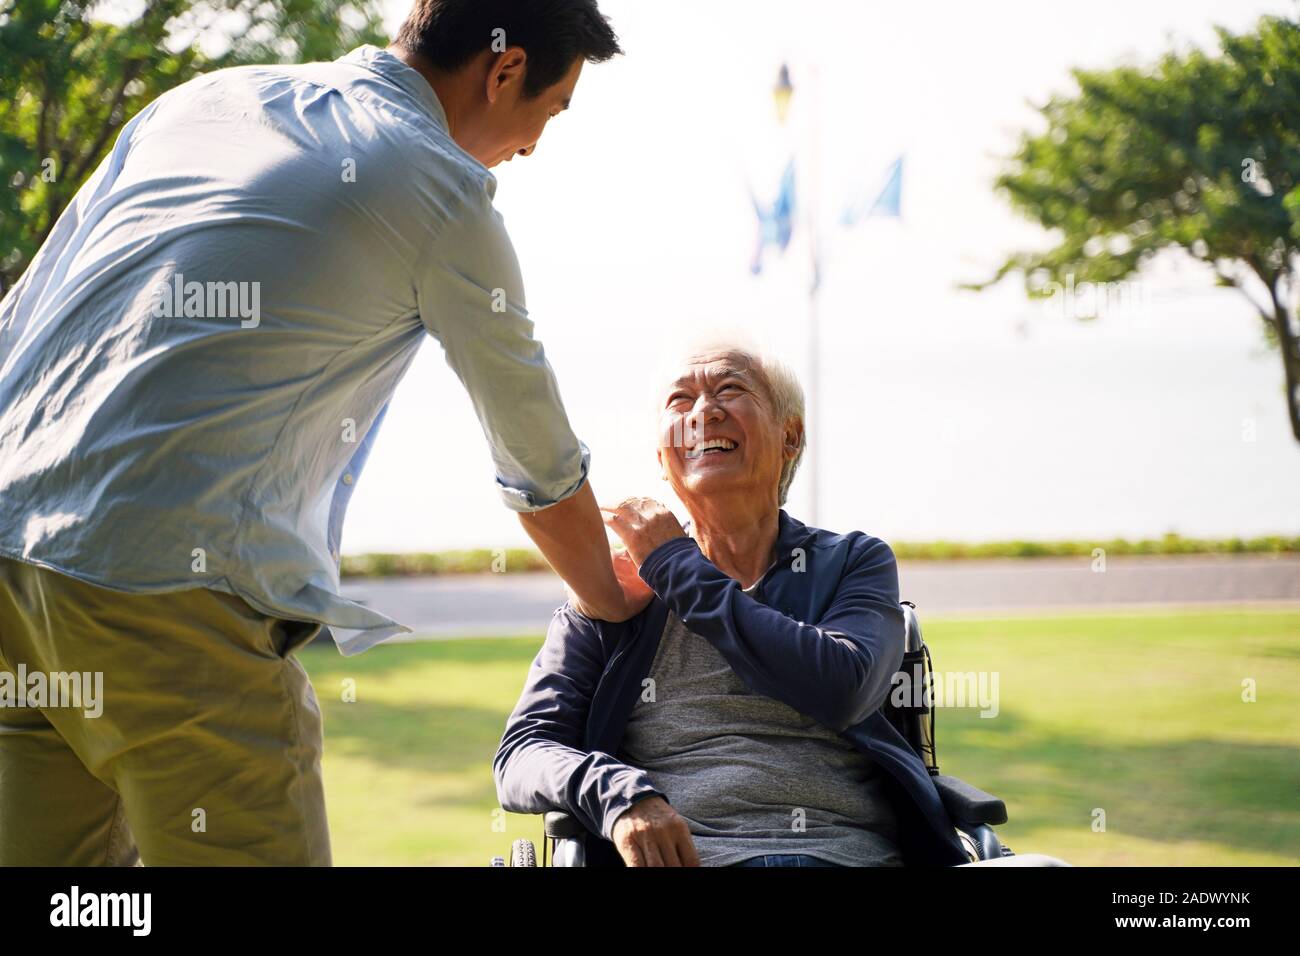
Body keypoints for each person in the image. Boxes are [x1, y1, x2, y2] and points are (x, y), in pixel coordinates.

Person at [0, 0, 644, 866]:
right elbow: (537, 460)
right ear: (502, 70)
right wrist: (614, 599)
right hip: (166, 590)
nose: (532, 146)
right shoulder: (440, 191)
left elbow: (21, 318)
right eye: (548, 112)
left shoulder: (200, 101)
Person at [494, 337, 1070, 867]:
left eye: (730, 390)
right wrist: (618, 794)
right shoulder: (614, 590)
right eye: (681, 400)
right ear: (663, 455)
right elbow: (521, 753)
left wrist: (676, 566)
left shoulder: (853, 563)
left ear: (790, 437)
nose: (703, 411)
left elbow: (841, 686)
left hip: (851, 857)